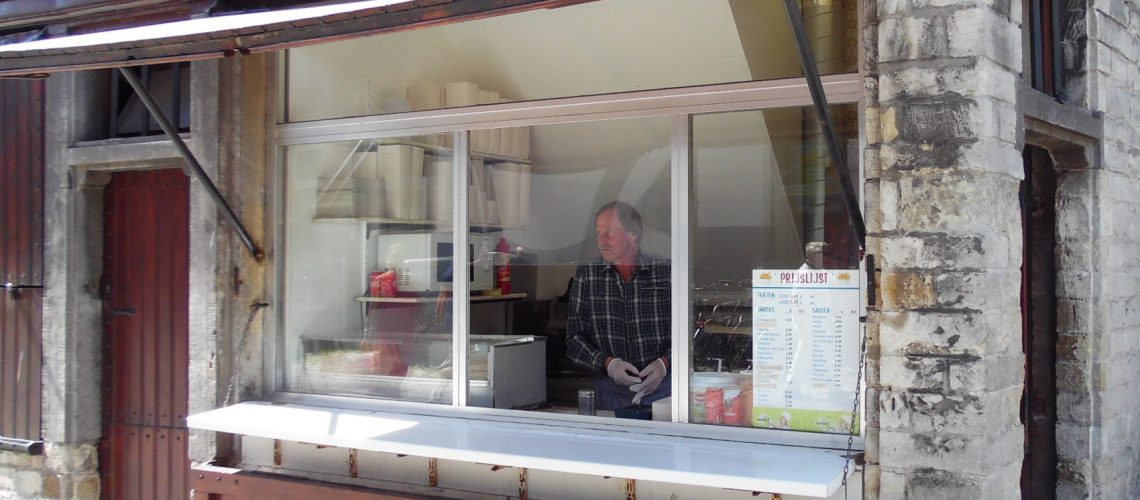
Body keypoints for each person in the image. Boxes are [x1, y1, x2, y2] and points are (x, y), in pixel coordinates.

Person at [566, 201, 671, 410]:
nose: (601, 240)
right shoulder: (588, 274)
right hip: (610, 393)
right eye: (599, 233)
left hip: (663, 393)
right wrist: (609, 364)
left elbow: (690, 333)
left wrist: (664, 364)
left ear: (634, 234)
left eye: (610, 232)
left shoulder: (664, 271)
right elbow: (574, 339)